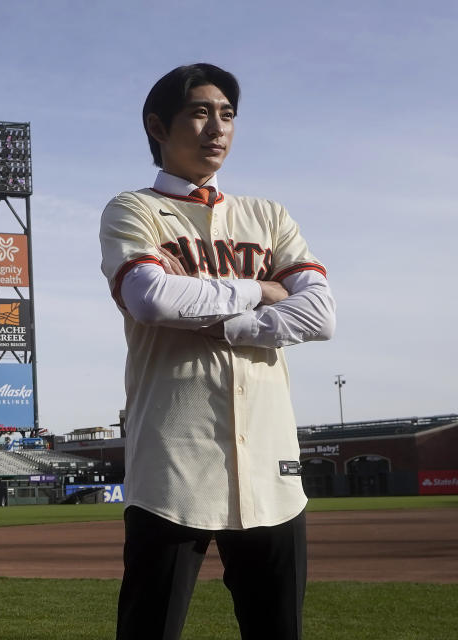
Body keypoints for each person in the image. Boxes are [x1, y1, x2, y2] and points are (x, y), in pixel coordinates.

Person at [99, 63, 336, 640]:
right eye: (200, 112)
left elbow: (320, 314)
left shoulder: (269, 216)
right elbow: (151, 298)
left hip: (271, 473)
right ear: (157, 125)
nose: (217, 127)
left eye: (227, 114)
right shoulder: (133, 209)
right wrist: (260, 291)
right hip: (174, 469)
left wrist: (227, 326)